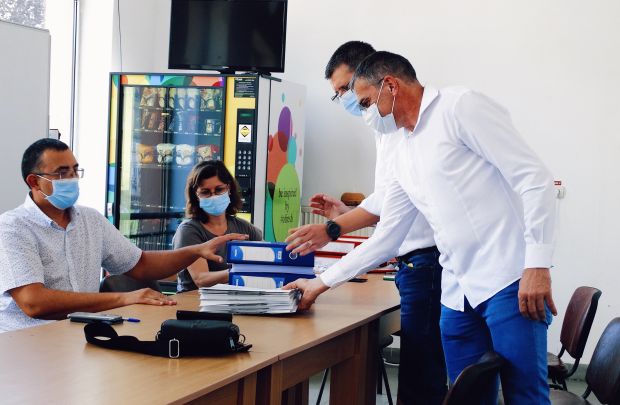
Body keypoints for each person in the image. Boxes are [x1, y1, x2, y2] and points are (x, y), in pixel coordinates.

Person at [285, 51, 557, 404]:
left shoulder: (459, 107)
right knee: (465, 397)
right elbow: (387, 238)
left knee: (525, 396)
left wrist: (537, 264)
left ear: (391, 86)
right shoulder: (401, 150)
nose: (366, 114)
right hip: (457, 292)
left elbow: (534, 179)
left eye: (366, 103)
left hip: (507, 279)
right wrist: (319, 284)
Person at [303, 41, 446, 404]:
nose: (347, 101)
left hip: (426, 261)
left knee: (421, 380)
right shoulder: (386, 128)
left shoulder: (402, 126)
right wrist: (342, 217)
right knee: (422, 374)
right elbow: (389, 199)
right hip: (416, 261)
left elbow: (388, 223)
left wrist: (330, 241)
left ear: (372, 77)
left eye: (347, 91)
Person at [0, 139, 247, 333]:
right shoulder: (13, 227)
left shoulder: (90, 219)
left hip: (77, 334)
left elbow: (141, 264)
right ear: (34, 181)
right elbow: (34, 302)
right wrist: (124, 298)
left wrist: (195, 251)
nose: (72, 179)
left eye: (75, 171)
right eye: (62, 173)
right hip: (26, 344)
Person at [172, 160, 262, 292]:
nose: (213, 196)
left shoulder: (244, 227)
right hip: (195, 302)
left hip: (235, 299)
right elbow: (201, 279)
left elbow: (268, 257)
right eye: (205, 192)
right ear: (196, 195)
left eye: (219, 190)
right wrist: (238, 272)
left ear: (229, 188)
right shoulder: (188, 231)